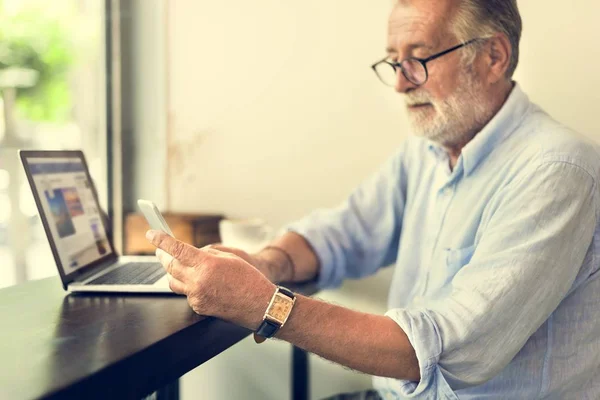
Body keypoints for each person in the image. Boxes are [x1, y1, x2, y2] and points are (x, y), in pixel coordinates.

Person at [146, 0, 600, 398]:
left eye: (419, 59)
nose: (401, 84)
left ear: (493, 56)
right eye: (393, 61)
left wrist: (265, 305)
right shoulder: (428, 149)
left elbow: (443, 352)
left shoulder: (557, 171)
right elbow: (344, 233)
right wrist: (268, 264)